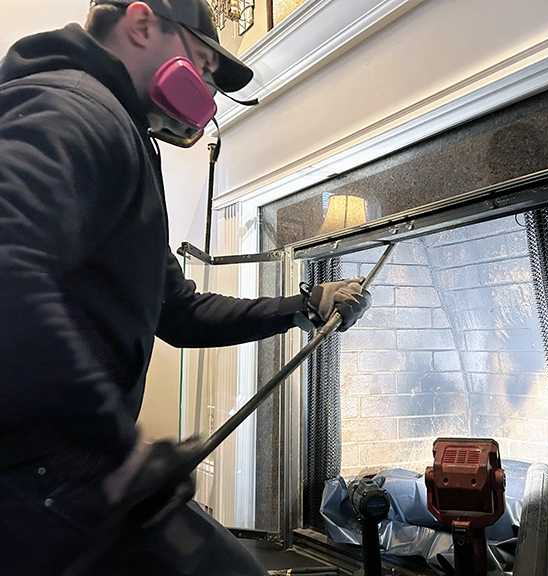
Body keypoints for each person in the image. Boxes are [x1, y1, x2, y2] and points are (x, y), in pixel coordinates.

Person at [0, 1, 371, 574]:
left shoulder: (123, 134)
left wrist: (301, 306)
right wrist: (116, 451)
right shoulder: (72, 105)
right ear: (142, 23)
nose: (205, 91)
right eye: (200, 63)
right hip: (38, 469)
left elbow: (178, 312)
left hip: (62, 464)